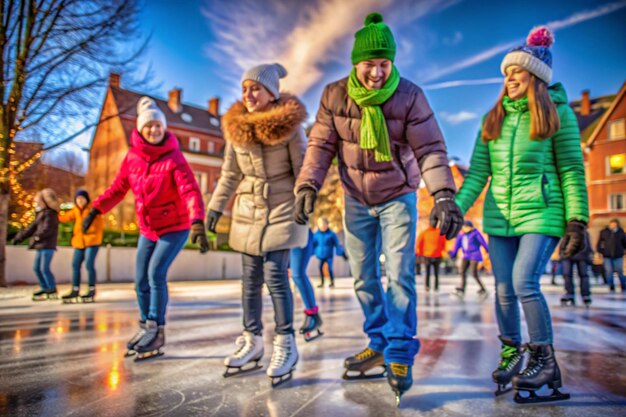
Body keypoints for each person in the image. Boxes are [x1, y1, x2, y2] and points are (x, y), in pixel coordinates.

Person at [293, 12, 462, 405]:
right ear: (356, 63)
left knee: (399, 274)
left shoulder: (410, 95)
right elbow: (319, 146)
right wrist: (308, 185)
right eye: (370, 64)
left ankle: (400, 352)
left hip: (399, 195)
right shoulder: (335, 95)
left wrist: (443, 195)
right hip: (355, 197)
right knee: (363, 279)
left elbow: (431, 149)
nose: (377, 74)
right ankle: (379, 340)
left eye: (384, 64)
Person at [454, 27, 588, 403]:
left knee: (523, 281)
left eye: (518, 71)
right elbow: (478, 174)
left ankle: (544, 360)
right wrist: (455, 207)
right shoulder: (492, 119)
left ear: (537, 77)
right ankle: (512, 353)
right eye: (507, 73)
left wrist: (577, 219)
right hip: (500, 217)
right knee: (502, 289)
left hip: (543, 211)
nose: (510, 78)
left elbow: (572, 170)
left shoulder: (557, 114)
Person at [83, 96, 208, 361]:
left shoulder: (174, 158)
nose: (154, 130)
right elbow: (118, 188)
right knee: (140, 279)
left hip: (175, 226)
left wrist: (197, 220)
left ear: (164, 128)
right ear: (140, 129)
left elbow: (189, 189)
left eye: (158, 126)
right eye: (149, 126)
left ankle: (156, 328)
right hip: (148, 228)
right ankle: (145, 327)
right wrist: (96, 209)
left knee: (155, 273)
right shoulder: (132, 158)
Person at [206, 63, 308, 386]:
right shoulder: (236, 129)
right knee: (249, 277)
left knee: (276, 274)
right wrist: (213, 209)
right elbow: (229, 175)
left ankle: (285, 343)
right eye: (245, 88)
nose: (249, 94)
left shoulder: (291, 127)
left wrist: (307, 197)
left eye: (256, 88)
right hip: (248, 209)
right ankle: (252, 340)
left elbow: (304, 168)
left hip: (282, 206)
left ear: (271, 93)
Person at [12, 188, 60, 301]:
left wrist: (37, 237)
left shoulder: (51, 214)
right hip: (40, 245)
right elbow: (31, 228)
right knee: (37, 268)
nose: (37, 204)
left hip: (48, 245)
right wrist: (19, 238)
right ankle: (45, 287)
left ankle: (51, 288)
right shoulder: (41, 214)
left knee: (44, 268)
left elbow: (47, 229)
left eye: (39, 201)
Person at [58, 189, 104, 303]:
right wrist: (54, 211)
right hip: (79, 242)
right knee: (75, 264)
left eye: (82, 199)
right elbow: (64, 218)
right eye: (78, 199)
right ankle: (75, 289)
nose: (80, 201)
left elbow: (99, 222)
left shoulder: (93, 209)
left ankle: (91, 289)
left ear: (86, 199)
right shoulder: (75, 210)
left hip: (92, 241)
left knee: (89, 264)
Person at [290, 228, 323, 341]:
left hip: (298, 231)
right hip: (277, 233)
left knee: (297, 274)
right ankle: (283, 325)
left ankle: (312, 315)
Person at [450, 220, 489, 297]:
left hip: (475, 255)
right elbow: (457, 245)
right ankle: (462, 288)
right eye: (464, 227)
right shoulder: (461, 235)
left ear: (471, 227)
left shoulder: (475, 234)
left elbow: (483, 242)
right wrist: (453, 254)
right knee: (462, 271)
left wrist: (488, 250)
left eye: (467, 227)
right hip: (466, 256)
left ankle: (483, 289)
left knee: (474, 273)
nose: (465, 228)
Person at [560, 226, 592, 307]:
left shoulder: (582, 231)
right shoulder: (566, 231)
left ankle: (584, 295)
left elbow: (587, 245)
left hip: (580, 255)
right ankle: (571, 294)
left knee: (582, 275)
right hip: (570, 256)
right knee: (568, 275)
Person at [313, 217, 346, 288]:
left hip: (329, 254)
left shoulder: (331, 234)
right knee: (320, 268)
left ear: (327, 224)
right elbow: (313, 244)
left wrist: (342, 253)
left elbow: (337, 244)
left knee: (329, 268)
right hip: (320, 254)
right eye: (321, 224)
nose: (322, 225)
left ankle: (332, 282)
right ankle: (322, 282)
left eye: (324, 224)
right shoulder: (316, 235)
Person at [596, 218, 626, 292]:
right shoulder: (604, 232)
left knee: (620, 271)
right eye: (612, 224)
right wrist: (600, 251)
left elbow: (624, 242)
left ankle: (623, 285)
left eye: (614, 224)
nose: (613, 226)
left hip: (618, 255)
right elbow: (599, 243)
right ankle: (611, 286)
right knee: (609, 271)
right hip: (607, 255)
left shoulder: (621, 232)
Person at [416, 226, 446, 292]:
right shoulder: (439, 233)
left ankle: (427, 286)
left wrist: (420, 253)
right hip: (436, 255)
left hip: (427, 255)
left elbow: (419, 243)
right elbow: (443, 244)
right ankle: (436, 287)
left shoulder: (425, 232)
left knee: (428, 272)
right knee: (436, 272)